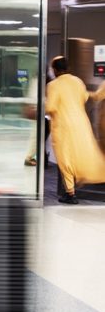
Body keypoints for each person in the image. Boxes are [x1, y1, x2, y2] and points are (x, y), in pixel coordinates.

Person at [46, 56, 105, 204]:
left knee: (65, 159)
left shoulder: (53, 85)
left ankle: (70, 193)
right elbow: (84, 98)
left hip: (63, 125)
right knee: (80, 153)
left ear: (55, 69)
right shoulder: (77, 81)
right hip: (80, 123)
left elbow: (50, 107)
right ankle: (81, 179)